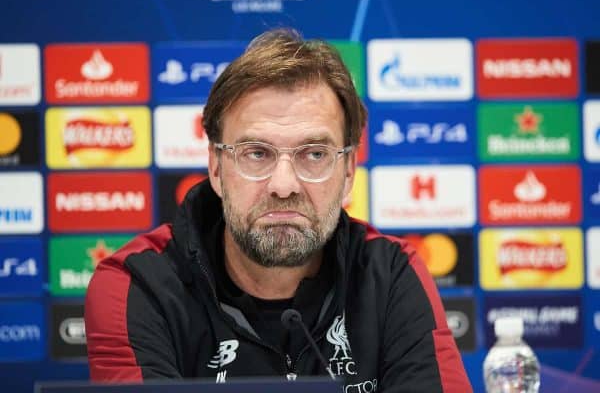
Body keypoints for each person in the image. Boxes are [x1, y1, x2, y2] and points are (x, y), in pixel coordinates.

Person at [84, 28, 472, 392]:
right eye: (256, 153)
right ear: (216, 168)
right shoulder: (137, 285)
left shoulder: (389, 276)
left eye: (315, 154)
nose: (283, 185)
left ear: (349, 171)